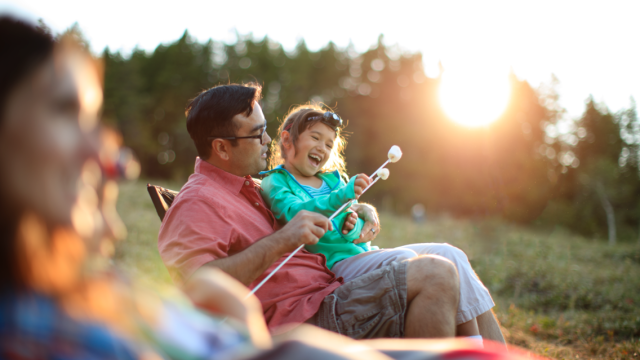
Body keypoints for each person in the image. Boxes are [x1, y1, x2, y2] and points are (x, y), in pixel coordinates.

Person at [158, 83, 506, 342]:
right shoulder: (198, 202)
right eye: (257, 134)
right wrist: (282, 240)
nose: (268, 142)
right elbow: (195, 290)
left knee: (448, 257)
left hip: (332, 289)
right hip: (303, 321)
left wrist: (360, 208)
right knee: (436, 275)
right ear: (221, 147)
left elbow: (314, 201)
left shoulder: (251, 185)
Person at [259, 104, 496, 341]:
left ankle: (482, 352)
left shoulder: (332, 180)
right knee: (409, 264)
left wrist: (356, 224)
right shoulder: (277, 181)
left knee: (451, 255)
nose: (323, 147)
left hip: (364, 255)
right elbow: (294, 214)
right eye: (315, 137)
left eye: (329, 144)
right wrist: (343, 198)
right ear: (288, 140)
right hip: (337, 266)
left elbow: (352, 227)